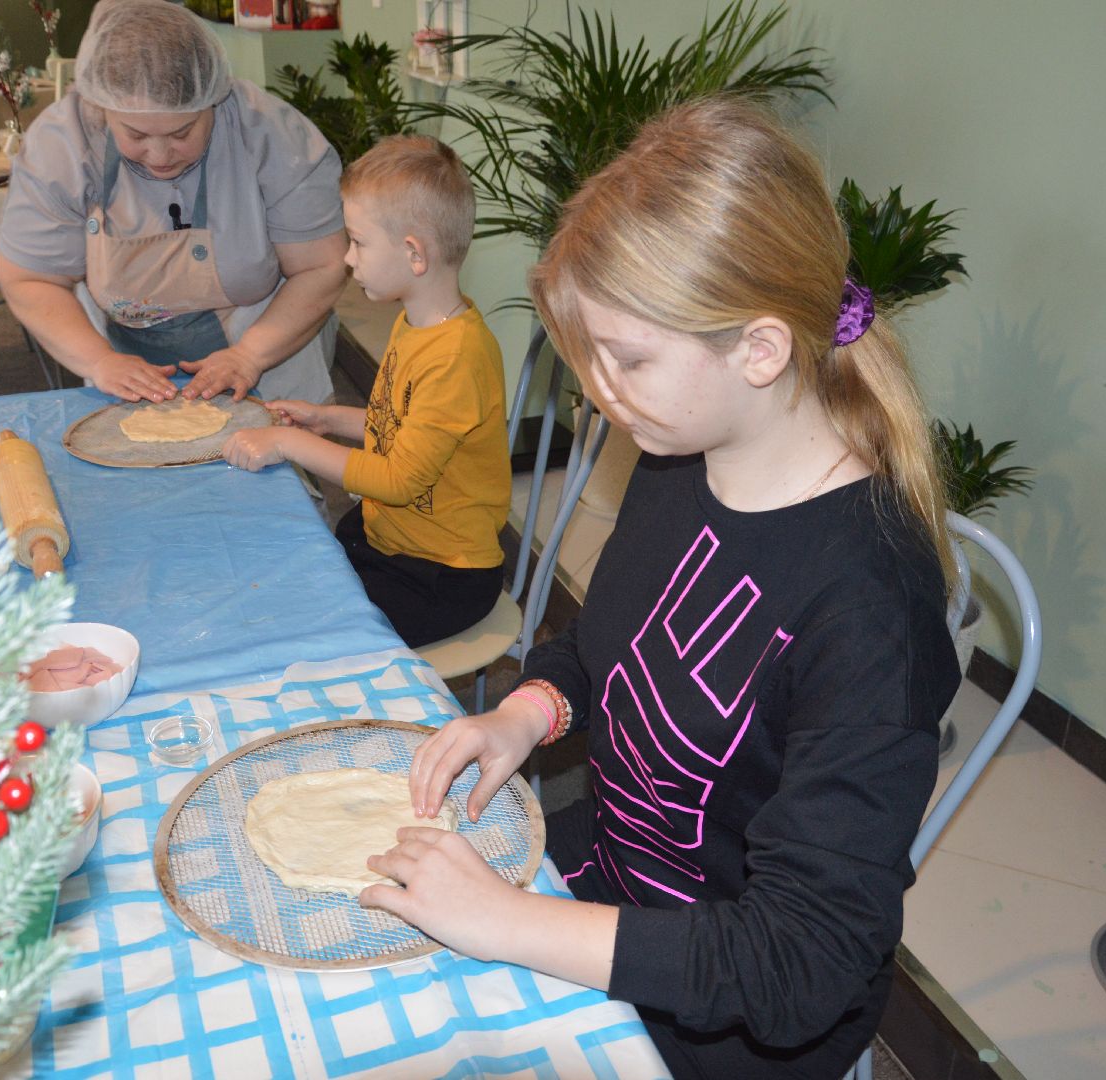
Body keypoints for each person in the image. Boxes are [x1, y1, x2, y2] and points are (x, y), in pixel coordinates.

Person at [359, 97, 964, 1079]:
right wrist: (523, 715)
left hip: (725, 1016)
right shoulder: (682, 454)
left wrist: (505, 921)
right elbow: (608, 651)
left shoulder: (869, 612)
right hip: (608, 877)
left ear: (759, 350)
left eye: (628, 358)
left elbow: (799, 963)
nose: (599, 390)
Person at [221, 135, 511, 648]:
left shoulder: (456, 357)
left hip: (442, 574)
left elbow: (398, 481)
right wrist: (325, 419)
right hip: (390, 539)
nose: (347, 258)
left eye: (358, 242)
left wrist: (288, 443)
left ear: (413, 254)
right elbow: (397, 427)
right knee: (300, 570)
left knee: (320, 631)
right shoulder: (415, 323)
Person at [0, 0, 347, 405]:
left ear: (213, 100)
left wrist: (250, 354)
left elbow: (322, 265)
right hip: (119, 356)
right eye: (136, 135)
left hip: (270, 345)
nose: (160, 155)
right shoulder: (61, 145)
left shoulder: (273, 136)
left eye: (182, 132)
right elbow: (31, 278)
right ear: (102, 109)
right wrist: (99, 360)